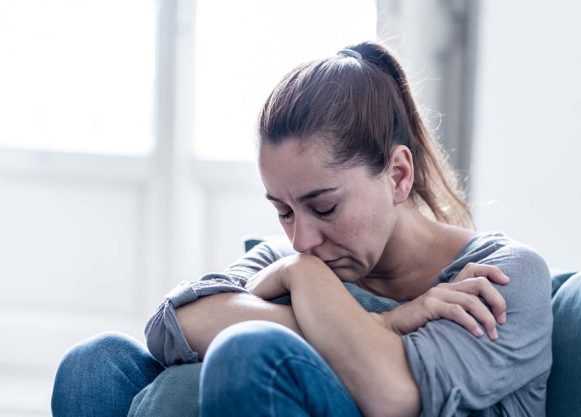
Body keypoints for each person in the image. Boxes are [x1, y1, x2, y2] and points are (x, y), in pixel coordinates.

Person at [52, 41, 552, 417]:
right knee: (95, 365)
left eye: (325, 207)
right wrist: (380, 322)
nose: (302, 241)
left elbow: (392, 391)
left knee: (248, 354)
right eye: (284, 211)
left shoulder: (503, 275)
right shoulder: (293, 257)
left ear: (398, 175)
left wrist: (306, 284)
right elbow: (172, 325)